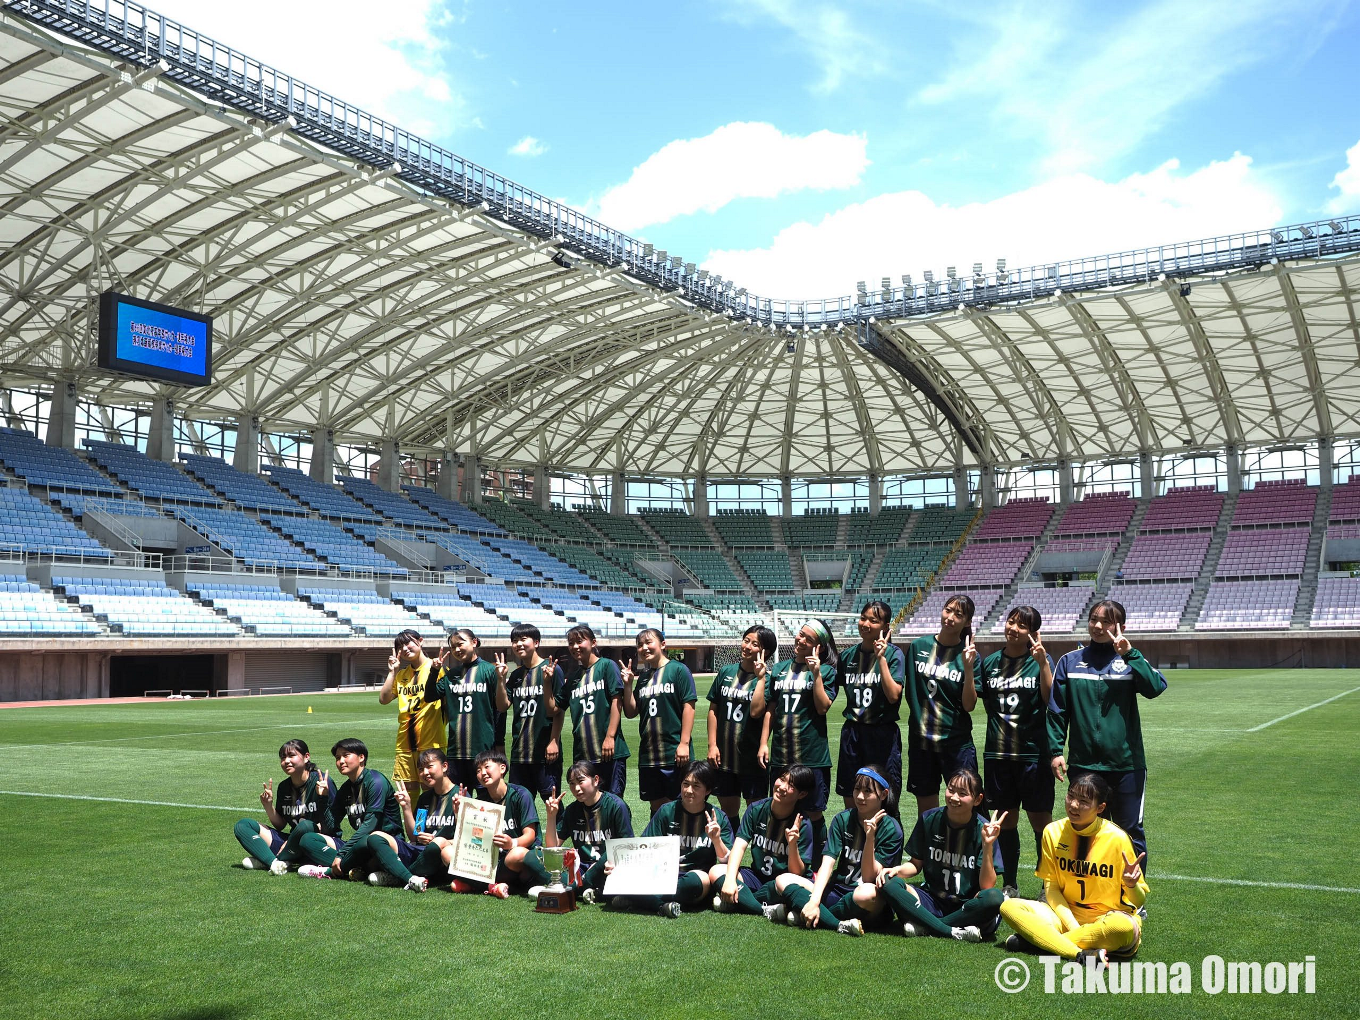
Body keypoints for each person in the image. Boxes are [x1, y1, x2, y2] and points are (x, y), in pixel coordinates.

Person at [1048, 600, 1167, 870]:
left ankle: (1132, 899)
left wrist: (1130, 654)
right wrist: (1056, 751)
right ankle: (1082, 892)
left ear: (1120, 627)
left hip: (1126, 764)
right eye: (1093, 619)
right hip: (1084, 764)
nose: (1098, 626)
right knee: (1081, 828)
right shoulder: (1070, 661)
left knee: (1130, 833)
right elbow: (1057, 710)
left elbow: (1155, 687)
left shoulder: (1129, 660)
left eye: (1106, 621)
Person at [999, 772, 1149, 966]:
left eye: (1084, 801)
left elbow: (1138, 901)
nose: (1073, 805)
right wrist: (1072, 926)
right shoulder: (1052, 832)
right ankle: (1079, 953)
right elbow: (1051, 888)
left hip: (1108, 919)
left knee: (1122, 928)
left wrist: (1131, 885)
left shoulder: (1117, 838)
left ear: (1100, 808)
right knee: (1009, 907)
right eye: (1071, 796)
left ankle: (1038, 942)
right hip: (1064, 916)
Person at [772, 765, 903, 937]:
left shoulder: (891, 829)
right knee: (783, 880)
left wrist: (870, 838)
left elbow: (869, 877)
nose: (860, 796)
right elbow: (827, 863)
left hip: (869, 900)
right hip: (837, 891)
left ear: (884, 794)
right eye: (857, 789)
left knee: (867, 893)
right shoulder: (843, 819)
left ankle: (812, 914)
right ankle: (830, 918)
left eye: (867, 791)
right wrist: (814, 900)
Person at [978, 605, 1055, 894]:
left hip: (1033, 754)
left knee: (1040, 821)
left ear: (1032, 633)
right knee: (1005, 822)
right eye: (1011, 622)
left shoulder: (1040, 661)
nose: (1013, 628)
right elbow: (988, 704)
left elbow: (1050, 700)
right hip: (999, 755)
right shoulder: (990, 663)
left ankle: (1049, 884)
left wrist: (1044, 663)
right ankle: (1010, 882)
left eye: (1021, 626)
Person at [876, 768, 1004, 941]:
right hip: (932, 900)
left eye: (962, 793)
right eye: (951, 790)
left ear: (977, 799)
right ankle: (952, 930)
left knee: (994, 897)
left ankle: (927, 925)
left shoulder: (985, 829)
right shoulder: (929, 819)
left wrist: (987, 845)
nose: (954, 797)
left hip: (966, 905)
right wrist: (896, 870)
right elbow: (915, 864)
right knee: (888, 882)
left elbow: (987, 885)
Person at [609, 760, 732, 918]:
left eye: (696, 786)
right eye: (685, 784)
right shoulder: (667, 811)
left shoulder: (718, 817)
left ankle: (638, 898)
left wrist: (716, 839)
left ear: (707, 790)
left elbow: (727, 862)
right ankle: (660, 905)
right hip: (660, 875)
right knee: (614, 860)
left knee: (698, 881)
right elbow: (645, 846)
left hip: (693, 879)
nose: (688, 790)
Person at [759, 619, 838, 859]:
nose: (800, 640)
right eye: (800, 634)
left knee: (813, 811)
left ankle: (815, 866)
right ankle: (782, 861)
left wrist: (816, 674)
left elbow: (823, 707)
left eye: (808, 639)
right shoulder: (780, 669)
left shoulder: (826, 671)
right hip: (782, 754)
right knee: (782, 808)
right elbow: (770, 709)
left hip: (812, 756)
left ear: (819, 647)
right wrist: (764, 742)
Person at [903, 594, 978, 817]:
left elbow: (969, 705)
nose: (950, 617)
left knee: (965, 805)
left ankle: (963, 850)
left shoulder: (969, 656)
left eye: (959, 614)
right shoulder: (918, 646)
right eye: (948, 610)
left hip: (956, 742)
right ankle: (929, 849)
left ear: (967, 622)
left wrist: (969, 668)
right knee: (926, 809)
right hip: (921, 741)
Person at [712, 765, 814, 917]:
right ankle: (766, 909)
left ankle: (743, 902)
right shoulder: (756, 809)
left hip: (785, 882)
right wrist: (730, 880)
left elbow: (796, 873)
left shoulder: (803, 824)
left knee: (782, 881)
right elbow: (739, 847)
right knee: (717, 871)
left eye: (791, 785)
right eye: (782, 779)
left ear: (802, 794)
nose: (782, 787)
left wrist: (792, 845)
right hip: (758, 877)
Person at [294, 738, 402, 880]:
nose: (341, 761)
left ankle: (330, 871)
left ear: (361, 757)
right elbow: (330, 828)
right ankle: (357, 868)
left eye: (346, 755)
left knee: (368, 840)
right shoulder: (346, 789)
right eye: (338, 758)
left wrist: (342, 853)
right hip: (360, 847)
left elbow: (370, 825)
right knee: (307, 839)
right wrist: (323, 798)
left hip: (384, 845)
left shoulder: (376, 781)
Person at [363, 748, 467, 892]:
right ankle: (410, 877)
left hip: (440, 856)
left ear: (444, 766)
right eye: (421, 769)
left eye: (429, 766)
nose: (425, 773)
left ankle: (399, 875)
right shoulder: (425, 798)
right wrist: (406, 807)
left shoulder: (460, 797)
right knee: (376, 837)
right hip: (419, 852)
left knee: (438, 842)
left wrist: (440, 840)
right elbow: (414, 835)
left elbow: (468, 840)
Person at [836, 600, 906, 809]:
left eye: (873, 620)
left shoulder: (894, 654)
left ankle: (885, 839)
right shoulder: (847, 656)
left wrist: (881, 659)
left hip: (882, 732)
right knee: (850, 791)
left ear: (885, 627)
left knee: (885, 795)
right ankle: (852, 839)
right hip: (853, 732)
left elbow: (894, 696)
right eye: (863, 618)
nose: (865, 624)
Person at [620, 628, 697, 816]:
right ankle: (661, 845)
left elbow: (689, 705)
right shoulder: (644, 677)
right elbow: (630, 712)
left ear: (663, 644)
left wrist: (684, 743)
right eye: (640, 645)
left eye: (649, 642)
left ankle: (682, 844)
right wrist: (628, 685)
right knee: (656, 808)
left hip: (675, 752)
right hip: (649, 755)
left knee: (680, 805)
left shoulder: (678, 670)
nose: (644, 648)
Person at [456, 748, 550, 897]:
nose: (482, 773)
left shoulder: (521, 795)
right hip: (493, 861)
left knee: (517, 854)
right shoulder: (480, 801)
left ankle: (483, 885)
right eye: (478, 770)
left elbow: (530, 835)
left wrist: (511, 843)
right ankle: (497, 886)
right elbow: (472, 841)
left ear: (502, 768)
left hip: (521, 858)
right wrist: (459, 813)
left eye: (487, 767)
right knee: (450, 856)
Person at [706, 624, 774, 820]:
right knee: (728, 812)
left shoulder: (768, 680)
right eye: (746, 640)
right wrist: (712, 745)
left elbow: (756, 712)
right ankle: (730, 850)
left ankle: (757, 850)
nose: (747, 646)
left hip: (752, 759)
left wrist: (760, 679)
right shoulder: (726, 672)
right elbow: (714, 710)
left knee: (756, 813)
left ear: (765, 651)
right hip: (724, 757)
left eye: (755, 644)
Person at [424, 628, 505, 792]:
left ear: (474, 642)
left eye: (460, 644)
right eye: (453, 647)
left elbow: (500, 710)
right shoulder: (452, 674)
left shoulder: (489, 671)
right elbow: (430, 695)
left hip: (483, 750)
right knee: (458, 801)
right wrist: (434, 671)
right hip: (456, 752)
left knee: (486, 801)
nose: (457, 650)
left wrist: (499, 743)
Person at [233, 738, 331, 873]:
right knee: (243, 825)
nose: (286, 761)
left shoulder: (321, 782)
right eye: (283, 757)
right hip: (291, 844)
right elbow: (280, 825)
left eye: (292, 756)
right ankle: (274, 863)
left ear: (306, 757)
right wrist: (268, 806)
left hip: (315, 842)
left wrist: (292, 840)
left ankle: (275, 859)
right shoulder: (284, 787)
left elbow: (329, 824)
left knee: (306, 826)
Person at [542, 759, 634, 902]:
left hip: (607, 868)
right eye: (572, 784)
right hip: (580, 868)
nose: (576, 788)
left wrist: (599, 867)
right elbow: (552, 849)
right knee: (530, 858)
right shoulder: (572, 810)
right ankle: (590, 889)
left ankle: (579, 887)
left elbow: (627, 847)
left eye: (580, 781)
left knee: (609, 853)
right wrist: (551, 816)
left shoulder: (616, 806)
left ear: (595, 780)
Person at [559, 624, 628, 796]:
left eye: (580, 641)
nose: (575, 646)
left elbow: (616, 701)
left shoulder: (607, 666)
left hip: (610, 751)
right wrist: (547, 682)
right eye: (571, 643)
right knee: (588, 802)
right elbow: (555, 708)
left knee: (613, 801)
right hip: (583, 753)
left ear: (593, 642)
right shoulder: (573, 678)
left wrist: (610, 737)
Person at [504, 623, 566, 807]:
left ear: (536, 642)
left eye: (524, 639)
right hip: (520, 752)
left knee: (552, 802)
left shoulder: (551, 669)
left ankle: (555, 836)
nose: (519, 644)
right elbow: (502, 705)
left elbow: (559, 709)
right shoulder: (515, 676)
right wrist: (501, 680)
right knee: (519, 805)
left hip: (545, 751)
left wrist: (554, 740)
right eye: (515, 641)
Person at [378, 629, 443, 802]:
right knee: (408, 795)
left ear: (420, 641)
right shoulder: (401, 675)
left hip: (431, 742)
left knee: (430, 790)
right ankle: (413, 829)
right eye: (400, 646)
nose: (405, 648)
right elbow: (383, 699)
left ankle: (429, 828)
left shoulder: (436, 668)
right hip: (405, 744)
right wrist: (392, 671)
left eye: (409, 643)